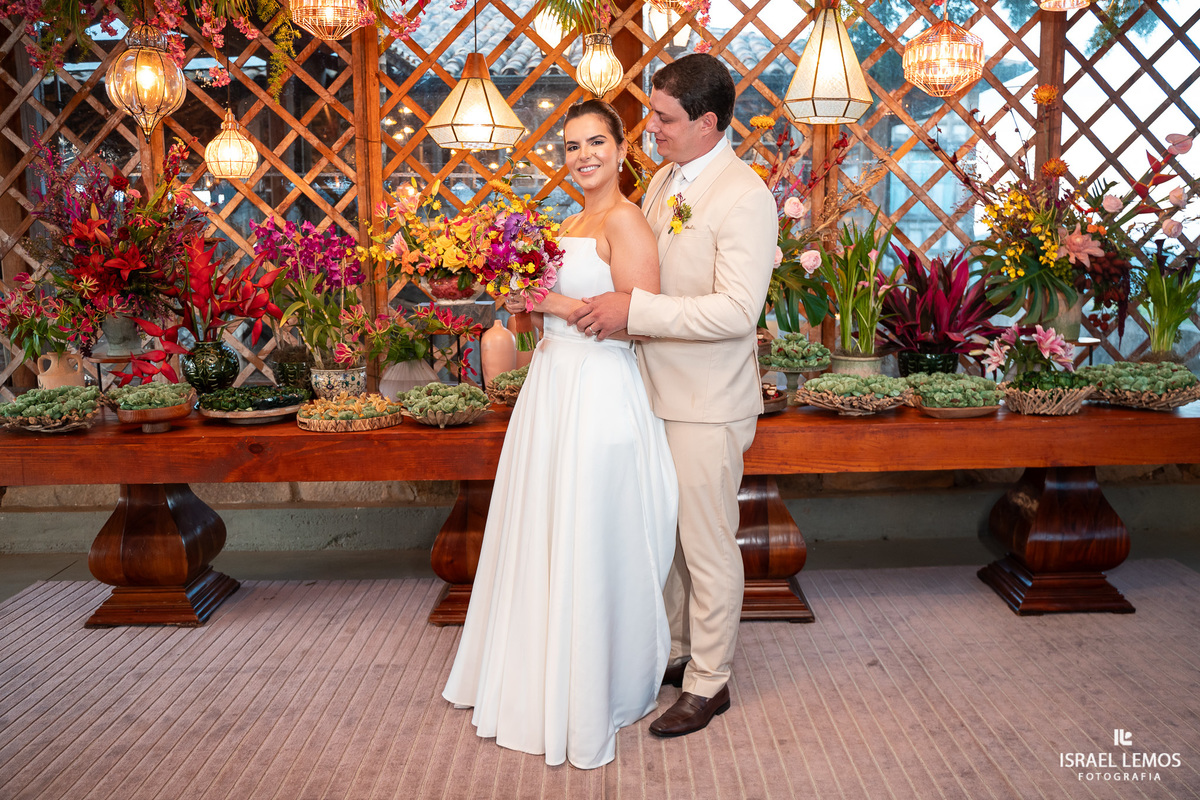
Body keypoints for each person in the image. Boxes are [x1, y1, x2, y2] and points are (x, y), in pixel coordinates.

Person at [441, 99, 679, 770]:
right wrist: (523, 301)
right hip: (552, 387)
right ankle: (537, 674)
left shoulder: (626, 221)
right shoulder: (572, 220)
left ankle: (591, 684)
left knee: (587, 531)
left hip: (600, 394)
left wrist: (552, 302)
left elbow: (640, 320)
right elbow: (555, 310)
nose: (583, 155)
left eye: (596, 141)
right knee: (546, 530)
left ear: (622, 145)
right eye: (572, 145)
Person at [568, 54, 777, 738]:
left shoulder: (745, 196)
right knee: (670, 535)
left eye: (664, 117)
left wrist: (637, 312)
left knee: (708, 543)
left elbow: (735, 313)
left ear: (708, 123)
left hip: (707, 401)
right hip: (648, 391)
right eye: (652, 113)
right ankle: (683, 650)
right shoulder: (662, 179)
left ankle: (710, 681)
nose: (648, 127)